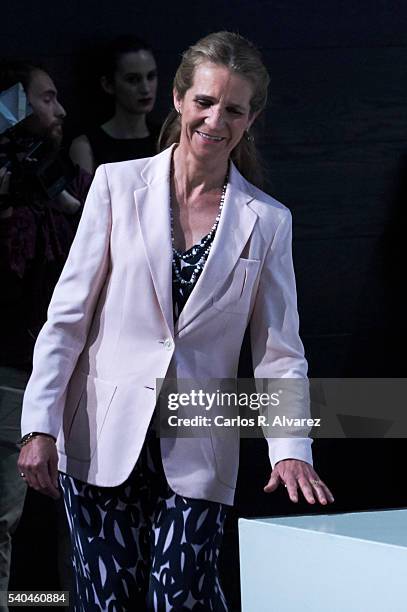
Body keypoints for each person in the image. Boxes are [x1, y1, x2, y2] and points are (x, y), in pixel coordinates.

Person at [18, 32, 334, 611]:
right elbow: (66, 319)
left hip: (199, 445)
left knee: (180, 596)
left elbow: (280, 352)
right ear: (180, 100)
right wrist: (39, 424)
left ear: (250, 119)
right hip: (101, 437)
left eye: (233, 109)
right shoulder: (117, 186)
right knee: (106, 601)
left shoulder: (267, 221)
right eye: (206, 102)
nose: (215, 120)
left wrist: (291, 447)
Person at [0, 60, 91, 610]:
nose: (58, 111)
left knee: (82, 518)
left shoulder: (67, 179)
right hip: (10, 367)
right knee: (3, 515)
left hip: (76, 370)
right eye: (46, 99)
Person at [69, 35, 160, 173]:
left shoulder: (166, 139)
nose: (146, 89)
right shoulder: (86, 146)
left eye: (151, 76)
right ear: (108, 85)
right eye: (133, 79)